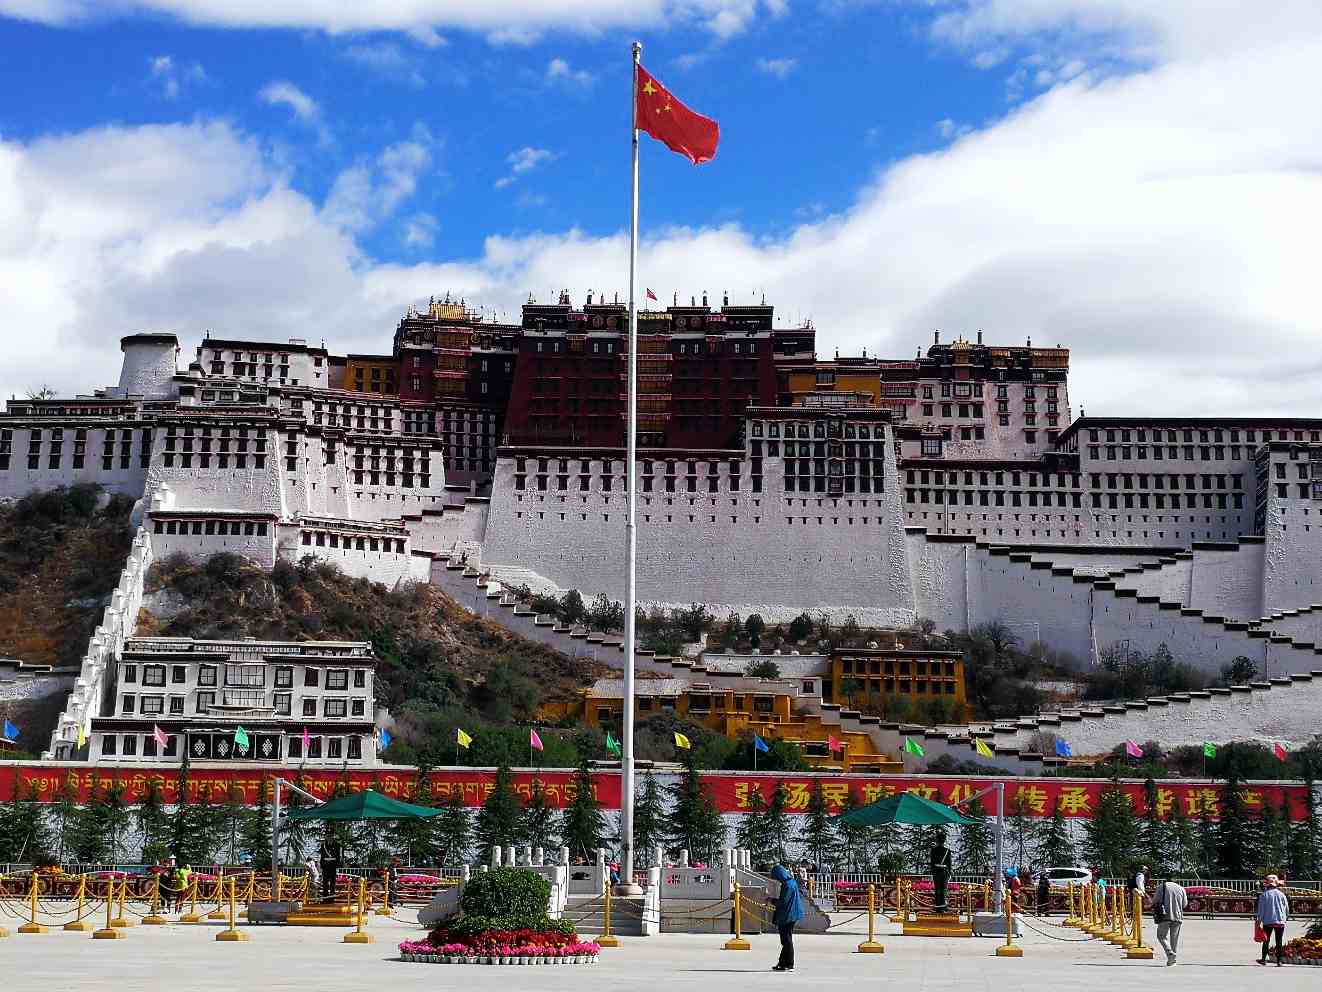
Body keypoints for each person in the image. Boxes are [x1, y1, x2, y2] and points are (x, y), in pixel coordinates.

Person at [770, 864, 805, 972]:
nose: (776, 879)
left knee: (786, 940)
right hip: (791, 914)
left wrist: (771, 900)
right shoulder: (791, 882)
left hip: (788, 915)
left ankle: (789, 964)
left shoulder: (787, 885)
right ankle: (782, 963)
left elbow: (783, 902)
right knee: (786, 940)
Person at [1256, 875, 1289, 966]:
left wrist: (1259, 922)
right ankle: (1279, 961)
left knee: (1266, 940)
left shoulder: (1264, 895)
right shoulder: (1282, 895)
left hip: (1268, 921)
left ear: (1267, 885)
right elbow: (1287, 908)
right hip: (1280, 921)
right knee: (1279, 941)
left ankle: (1263, 959)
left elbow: (1261, 911)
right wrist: (1284, 919)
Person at [1153, 878, 1187, 966]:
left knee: (1161, 936)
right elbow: (1184, 904)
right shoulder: (1181, 888)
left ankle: (1169, 952)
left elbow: (1155, 901)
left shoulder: (1161, 887)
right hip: (1178, 916)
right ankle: (1172, 961)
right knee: (1174, 939)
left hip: (1165, 916)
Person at [930, 833, 953, 911]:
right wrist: (949, 873)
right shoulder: (947, 850)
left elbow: (932, 863)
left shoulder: (933, 850)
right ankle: (943, 906)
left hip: (936, 872)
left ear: (937, 840)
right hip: (944, 872)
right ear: (944, 841)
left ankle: (938, 906)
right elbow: (949, 863)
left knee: (937, 889)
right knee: (944, 889)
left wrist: (933, 872)